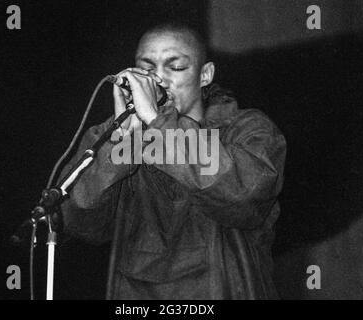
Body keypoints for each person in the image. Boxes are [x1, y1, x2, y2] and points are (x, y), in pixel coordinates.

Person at [59, 22, 286, 299]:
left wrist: (158, 123)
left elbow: (242, 196)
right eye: (147, 68)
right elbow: (77, 217)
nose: (159, 80)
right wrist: (122, 142)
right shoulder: (120, 134)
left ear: (205, 74)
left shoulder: (249, 129)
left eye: (175, 67)